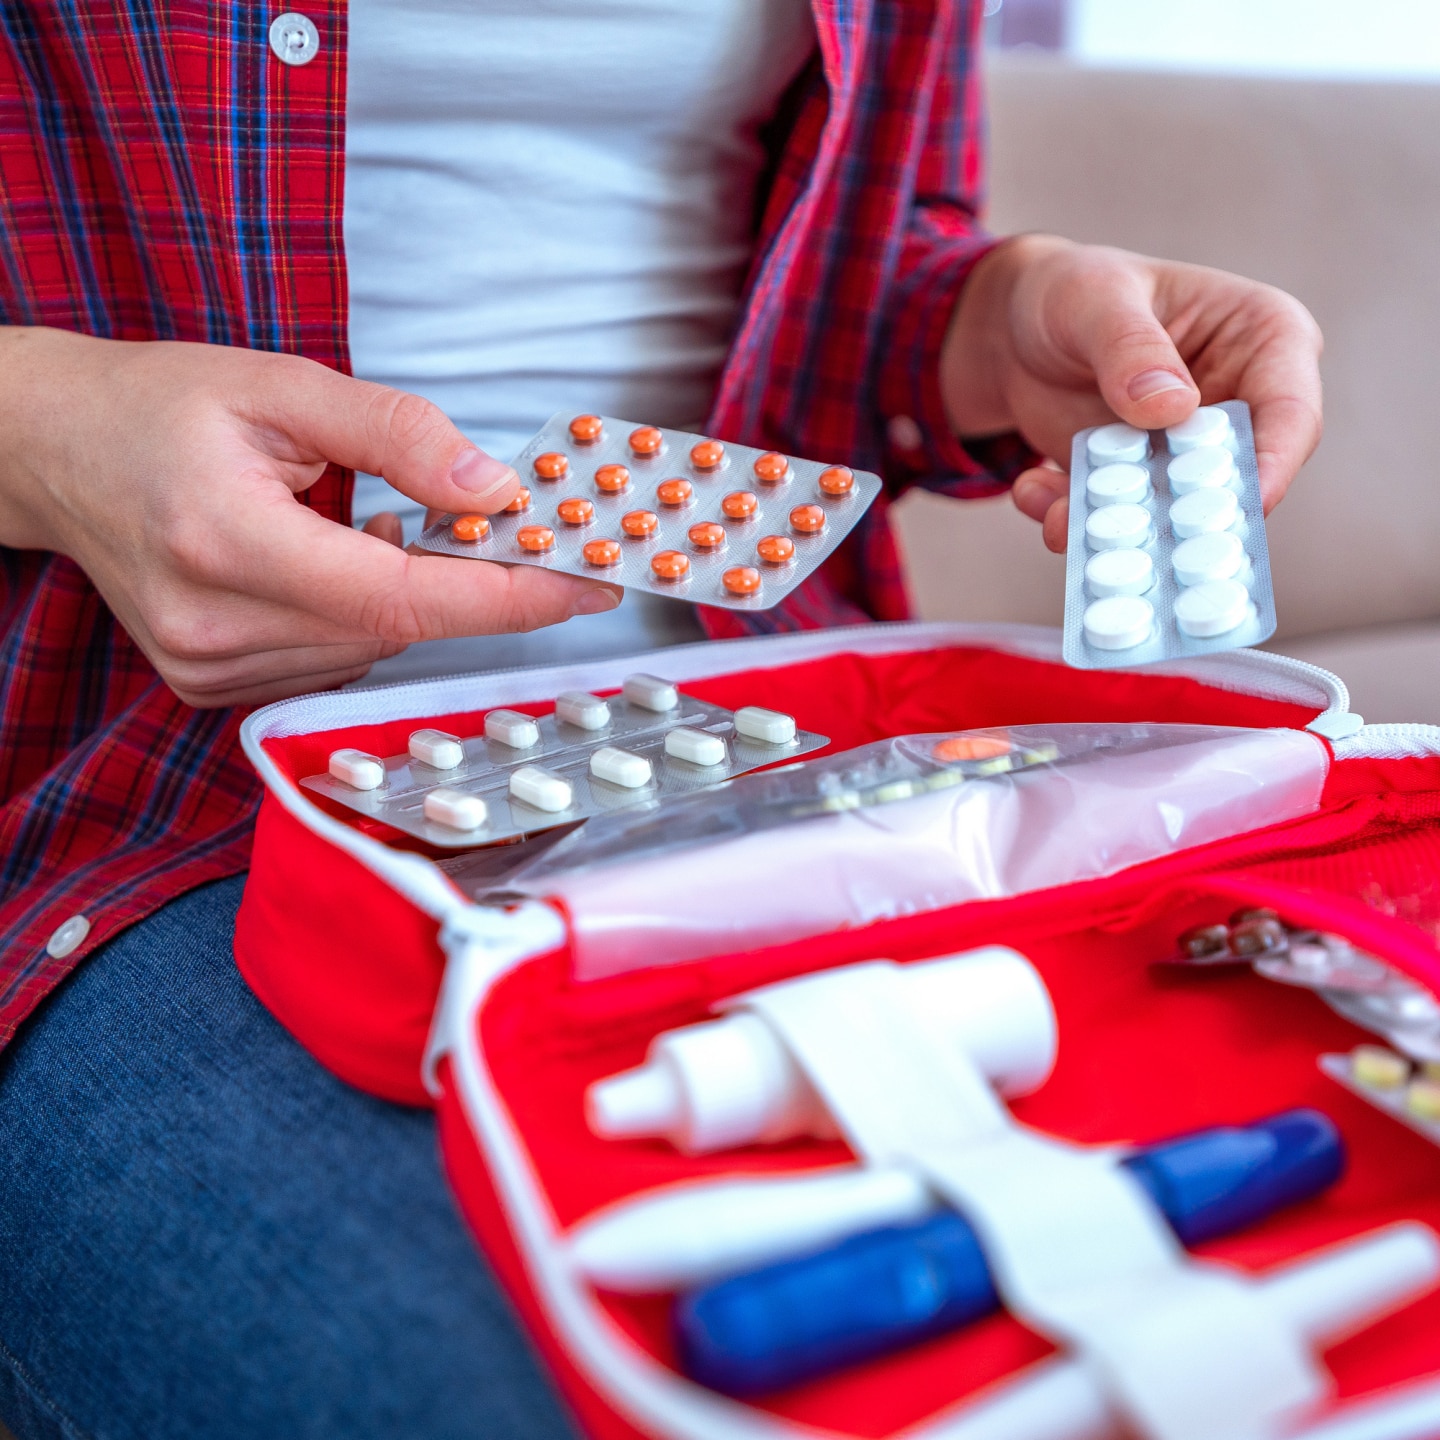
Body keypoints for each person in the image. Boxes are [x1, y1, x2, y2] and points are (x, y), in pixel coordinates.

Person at [0, 1, 1322, 1436]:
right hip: (170, 810)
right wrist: (51, 434)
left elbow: (856, 265)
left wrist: (996, 318)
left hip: (812, 735)